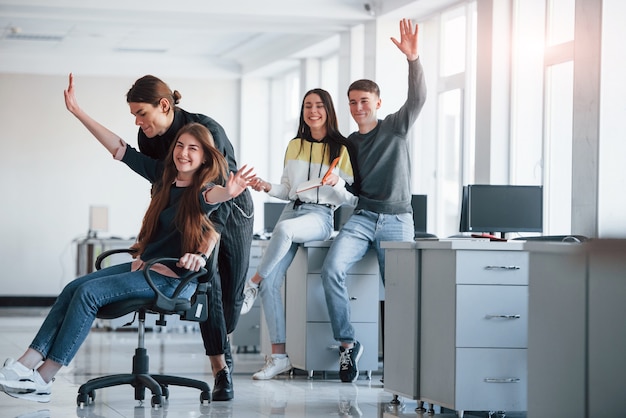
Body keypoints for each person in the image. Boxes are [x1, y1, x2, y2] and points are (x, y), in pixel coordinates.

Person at [0, 120, 253, 403]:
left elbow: (216, 196)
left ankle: (44, 378)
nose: (184, 153)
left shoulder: (202, 191)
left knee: (87, 294)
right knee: (74, 287)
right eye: (180, 146)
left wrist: (229, 192)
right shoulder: (165, 181)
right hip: (145, 268)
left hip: (169, 279)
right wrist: (77, 111)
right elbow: (122, 150)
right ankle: (25, 365)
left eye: (193, 149)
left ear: (205, 156)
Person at [68, 73, 255, 401]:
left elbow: (221, 195)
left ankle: (226, 341)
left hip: (230, 212)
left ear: (164, 106)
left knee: (230, 297)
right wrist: (150, 244)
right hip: (191, 213)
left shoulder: (206, 130)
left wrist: (206, 245)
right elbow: (159, 191)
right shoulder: (149, 139)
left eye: (142, 114)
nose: (139, 122)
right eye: (134, 117)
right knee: (207, 282)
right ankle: (221, 370)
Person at [321, 18, 427, 383]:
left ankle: (399, 363)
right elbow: (353, 187)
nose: (357, 107)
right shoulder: (349, 142)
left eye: (364, 101)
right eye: (352, 102)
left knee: (397, 291)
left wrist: (413, 60)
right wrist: (337, 182)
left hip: (398, 221)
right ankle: (348, 346)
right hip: (363, 218)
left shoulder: (396, 125)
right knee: (331, 269)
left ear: (378, 102)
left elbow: (419, 98)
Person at [241, 88, 357, 380]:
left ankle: (251, 283)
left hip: (320, 216)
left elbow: (351, 199)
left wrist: (337, 184)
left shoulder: (342, 149)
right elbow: (287, 190)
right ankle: (279, 357)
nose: (313, 111)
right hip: (291, 211)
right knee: (272, 284)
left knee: (281, 234)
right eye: (308, 106)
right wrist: (267, 187)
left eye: (319, 106)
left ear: (328, 110)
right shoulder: (294, 145)